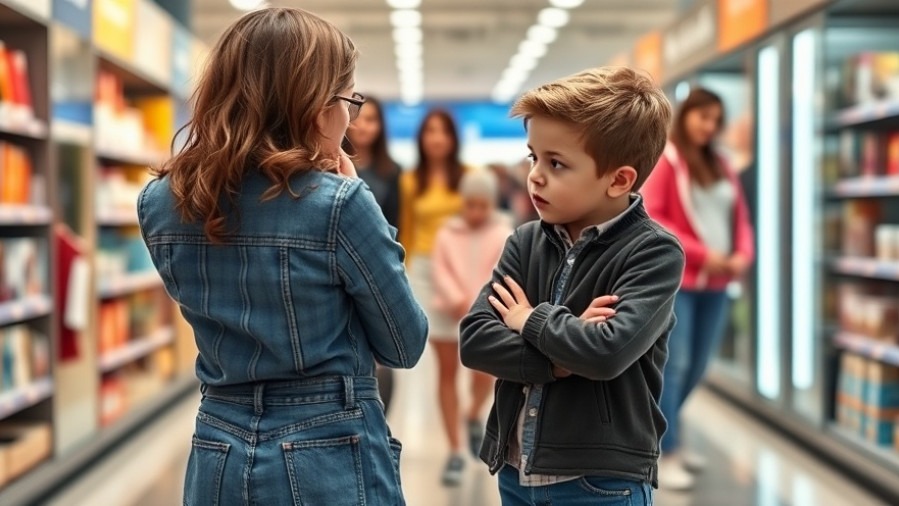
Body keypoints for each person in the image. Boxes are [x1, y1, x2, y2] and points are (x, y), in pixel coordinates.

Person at [137, 8, 427, 505]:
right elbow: (404, 344)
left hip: (216, 447)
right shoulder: (338, 205)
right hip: (328, 448)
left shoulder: (161, 201)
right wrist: (366, 214)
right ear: (316, 107)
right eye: (349, 101)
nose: (351, 119)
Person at [460, 66, 682, 505]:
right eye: (533, 157)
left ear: (619, 180)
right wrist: (559, 360)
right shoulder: (526, 241)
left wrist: (528, 319)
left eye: (556, 163)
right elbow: (476, 340)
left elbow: (606, 352)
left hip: (600, 480)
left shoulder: (653, 254)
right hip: (516, 469)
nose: (536, 176)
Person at [641, 87, 755, 491]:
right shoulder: (667, 162)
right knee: (675, 365)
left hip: (718, 283)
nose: (708, 126)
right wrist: (705, 255)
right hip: (683, 281)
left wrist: (743, 253)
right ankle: (664, 450)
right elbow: (655, 218)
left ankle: (669, 440)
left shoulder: (721, 163)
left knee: (698, 365)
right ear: (686, 116)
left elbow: (740, 215)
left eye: (714, 119)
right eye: (701, 117)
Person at [397, 109, 467, 483]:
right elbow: (406, 232)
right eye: (430, 131)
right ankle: (456, 448)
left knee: (484, 360)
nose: (436, 138)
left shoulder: (470, 177)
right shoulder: (411, 182)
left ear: (453, 138)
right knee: (446, 366)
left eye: (443, 131)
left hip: (468, 267)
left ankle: (472, 416)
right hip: (427, 271)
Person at [430, 170, 512, 486]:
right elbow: (440, 268)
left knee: (485, 374)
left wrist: (477, 304)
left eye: (483, 205)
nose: (476, 212)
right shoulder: (446, 232)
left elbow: (503, 272)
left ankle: (473, 414)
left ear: (492, 203)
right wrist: (454, 298)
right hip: (447, 314)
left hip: (485, 316)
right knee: (447, 374)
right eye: (470, 204)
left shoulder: (504, 232)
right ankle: (454, 450)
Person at [346, 96, 402, 413]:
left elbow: (397, 225)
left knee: (382, 348)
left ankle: (379, 418)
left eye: (372, 120)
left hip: (378, 265)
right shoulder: (328, 163)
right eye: (359, 118)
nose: (364, 126)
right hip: (338, 265)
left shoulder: (392, 172)